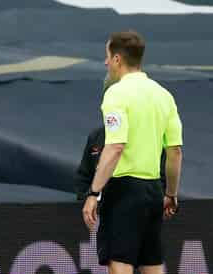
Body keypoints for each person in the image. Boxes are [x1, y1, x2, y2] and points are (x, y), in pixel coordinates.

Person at [82, 31, 183, 274]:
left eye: (107, 56)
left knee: (120, 264)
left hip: (124, 192)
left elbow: (115, 146)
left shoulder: (115, 94)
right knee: (152, 265)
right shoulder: (164, 95)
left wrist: (93, 192)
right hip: (153, 192)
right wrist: (170, 193)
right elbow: (175, 151)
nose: (106, 62)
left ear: (117, 59)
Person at [75, 75, 166, 201]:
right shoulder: (96, 136)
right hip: (100, 213)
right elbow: (84, 176)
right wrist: (88, 199)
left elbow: (161, 178)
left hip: (137, 207)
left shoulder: (150, 137)